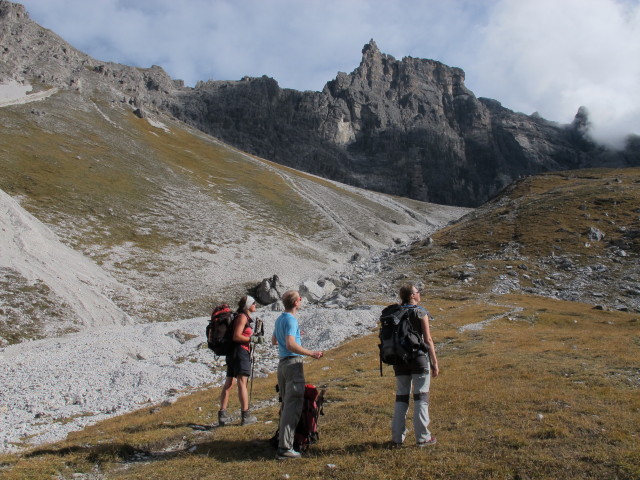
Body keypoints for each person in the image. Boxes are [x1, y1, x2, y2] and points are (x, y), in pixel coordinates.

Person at [272, 290, 323, 459]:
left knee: (287, 404)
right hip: (293, 364)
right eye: (300, 299)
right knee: (293, 405)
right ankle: (285, 448)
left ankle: (284, 440)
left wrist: (294, 335)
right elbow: (290, 344)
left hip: (282, 365)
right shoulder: (291, 320)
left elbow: (274, 340)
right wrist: (311, 353)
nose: (301, 301)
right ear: (296, 302)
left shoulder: (280, 319)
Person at [391, 284, 439, 447]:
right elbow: (428, 340)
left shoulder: (395, 312)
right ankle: (423, 437)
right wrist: (434, 362)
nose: (419, 294)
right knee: (420, 397)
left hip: (399, 361)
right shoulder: (420, 312)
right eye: (417, 291)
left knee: (401, 398)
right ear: (412, 296)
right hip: (418, 359)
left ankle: (397, 438)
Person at [218, 295, 260, 426]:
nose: (255, 305)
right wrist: (252, 339)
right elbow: (237, 336)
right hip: (240, 352)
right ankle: (245, 415)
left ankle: (222, 415)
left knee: (229, 383)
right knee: (242, 382)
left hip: (232, 353)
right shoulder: (242, 317)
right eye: (253, 303)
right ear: (247, 305)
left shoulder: (239, 316)